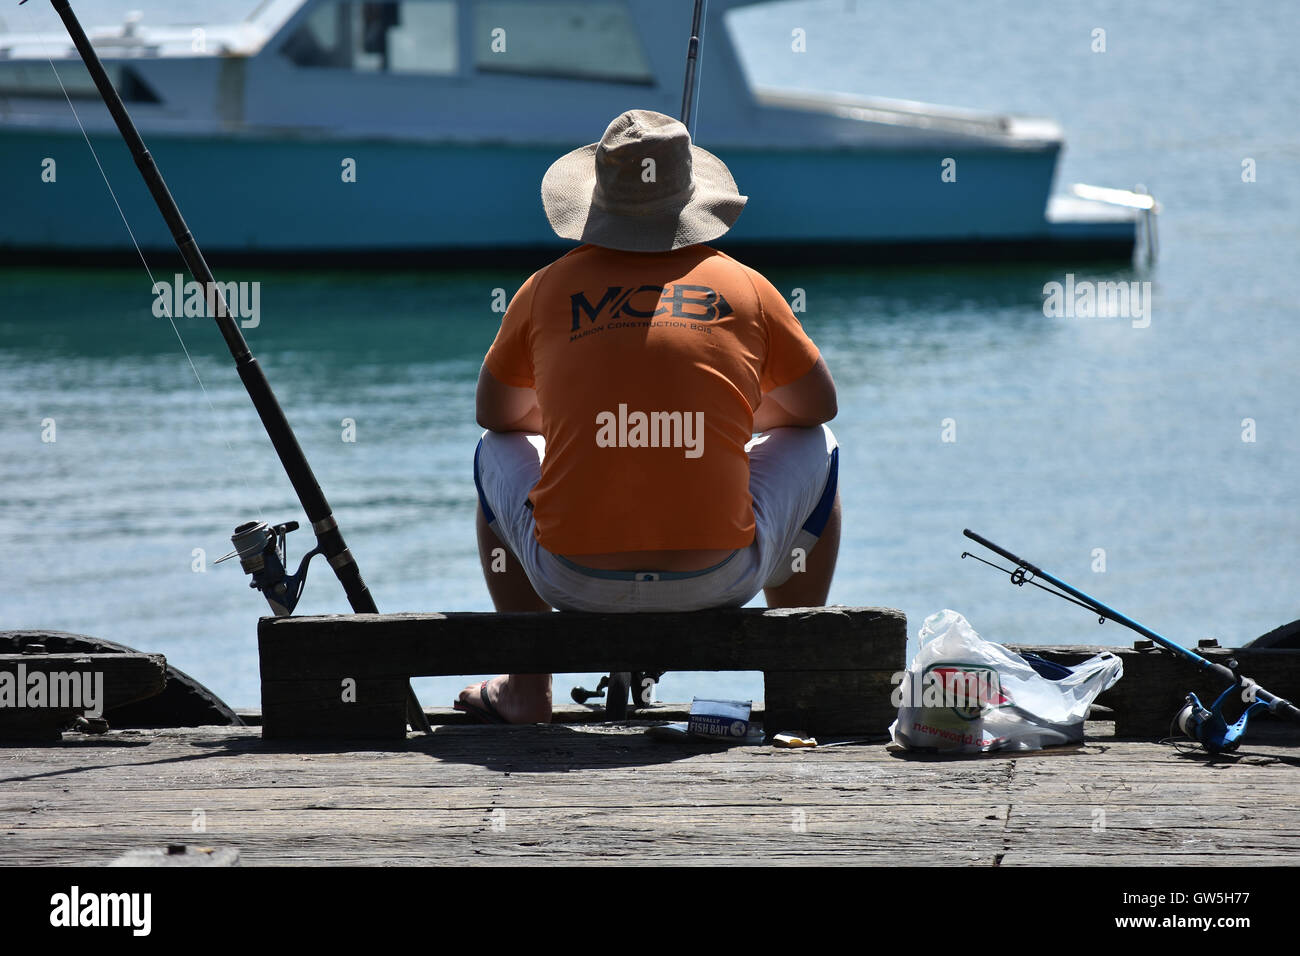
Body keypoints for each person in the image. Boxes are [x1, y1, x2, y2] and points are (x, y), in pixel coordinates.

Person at [457, 109, 840, 724]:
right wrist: (724, 414)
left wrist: (580, 420)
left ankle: (528, 686)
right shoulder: (746, 287)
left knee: (492, 448)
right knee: (818, 444)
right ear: (690, 201)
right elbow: (816, 407)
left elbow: (495, 414)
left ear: (597, 202)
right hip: (719, 575)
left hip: (569, 577)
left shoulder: (545, 288)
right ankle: (796, 673)